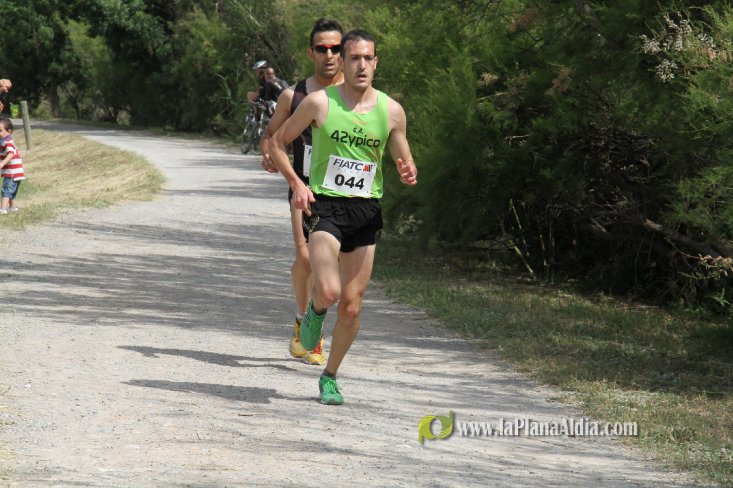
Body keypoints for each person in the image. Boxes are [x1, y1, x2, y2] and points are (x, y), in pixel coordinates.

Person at [269, 29, 418, 404]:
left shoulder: (392, 111)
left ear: (376, 63)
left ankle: (330, 376)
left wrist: (407, 169)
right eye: (354, 58)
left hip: (366, 211)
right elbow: (277, 142)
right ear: (344, 63)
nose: (361, 65)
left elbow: (403, 155)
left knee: (351, 306)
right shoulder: (319, 103)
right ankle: (315, 312)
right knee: (330, 290)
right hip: (325, 205)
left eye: (368, 58)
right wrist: (297, 184)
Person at [260, 17, 344, 366]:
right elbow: (271, 135)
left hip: (342, 192)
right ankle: (305, 325)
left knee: (331, 266)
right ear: (311, 53)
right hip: (304, 186)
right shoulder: (293, 96)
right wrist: (268, 153)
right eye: (322, 48)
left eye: (335, 48)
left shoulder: (355, 95)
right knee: (307, 258)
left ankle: (312, 319)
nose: (329, 55)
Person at [0, 117, 25, 214]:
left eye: (0, 130)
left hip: (12, 172)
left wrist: (2, 163)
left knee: (6, 191)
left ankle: (3, 209)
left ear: (9, 131)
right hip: (17, 172)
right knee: (11, 192)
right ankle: (13, 208)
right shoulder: (5, 141)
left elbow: (11, 154)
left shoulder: (7, 142)